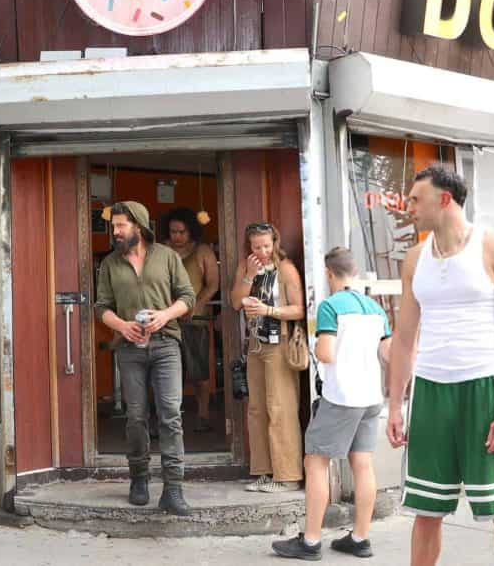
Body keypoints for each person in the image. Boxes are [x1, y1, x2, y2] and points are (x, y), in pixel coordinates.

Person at [386, 166, 494, 566]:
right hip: (430, 393)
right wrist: (396, 405)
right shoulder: (415, 259)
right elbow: (404, 338)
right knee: (426, 511)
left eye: (416, 199)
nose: (409, 207)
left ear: (444, 199)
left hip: (483, 389)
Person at [272, 247, 392, 560]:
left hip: (342, 397)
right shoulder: (375, 308)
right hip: (371, 397)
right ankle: (360, 538)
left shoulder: (330, 306)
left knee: (315, 462)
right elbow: (388, 354)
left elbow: (326, 353)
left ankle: (311, 542)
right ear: (355, 271)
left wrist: (315, 345)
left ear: (328, 273)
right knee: (362, 464)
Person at [94, 201, 197, 516]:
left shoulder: (167, 256)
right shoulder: (110, 263)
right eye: (114, 226)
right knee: (136, 416)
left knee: (171, 414)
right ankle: (139, 478)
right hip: (129, 348)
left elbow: (188, 297)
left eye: (121, 225)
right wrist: (122, 326)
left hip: (166, 344)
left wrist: (165, 315)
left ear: (138, 226)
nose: (115, 231)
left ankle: (173, 489)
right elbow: (101, 307)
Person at [230, 222, 305, 493]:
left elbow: (299, 309)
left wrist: (268, 310)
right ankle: (265, 471)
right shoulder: (246, 266)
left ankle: (288, 476)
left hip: (279, 343)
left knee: (280, 408)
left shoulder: (285, 268)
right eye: (256, 246)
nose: (262, 251)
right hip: (255, 344)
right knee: (257, 410)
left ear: (275, 242)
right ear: (248, 246)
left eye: (266, 245)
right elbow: (235, 303)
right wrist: (249, 276)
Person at [163, 207, 220, 433]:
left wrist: (196, 305)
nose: (177, 236)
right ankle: (168, 418)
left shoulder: (203, 251)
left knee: (199, 372)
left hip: (196, 320)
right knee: (166, 372)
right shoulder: (161, 251)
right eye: (173, 232)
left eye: (182, 232)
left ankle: (203, 416)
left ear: (191, 231)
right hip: (166, 321)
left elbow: (213, 284)